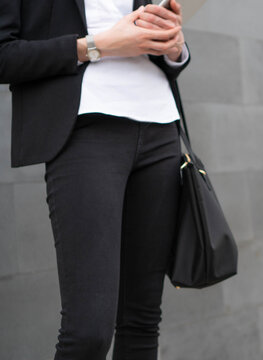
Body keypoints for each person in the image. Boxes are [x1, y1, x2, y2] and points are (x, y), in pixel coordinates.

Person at [0, 0, 190, 359]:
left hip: (160, 125)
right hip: (83, 129)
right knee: (87, 332)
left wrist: (174, 45)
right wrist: (94, 46)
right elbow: (4, 54)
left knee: (142, 322)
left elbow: (164, 51)